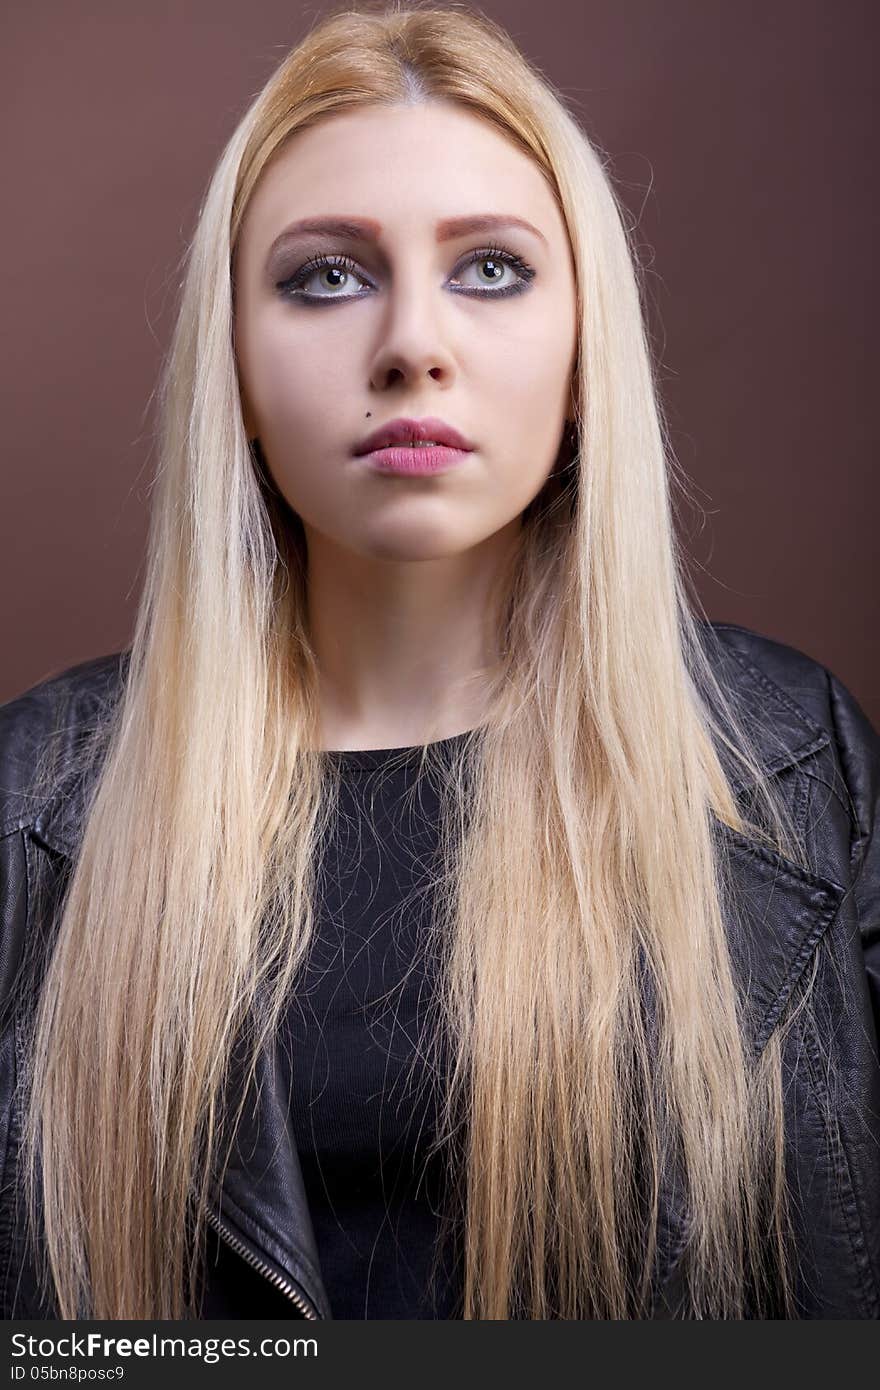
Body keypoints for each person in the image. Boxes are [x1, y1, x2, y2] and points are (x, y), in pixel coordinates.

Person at [0, 2, 878, 1321]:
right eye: (326, 276)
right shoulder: (33, 800)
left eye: (491, 269)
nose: (414, 344)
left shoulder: (795, 756)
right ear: (232, 367)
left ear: (588, 356)